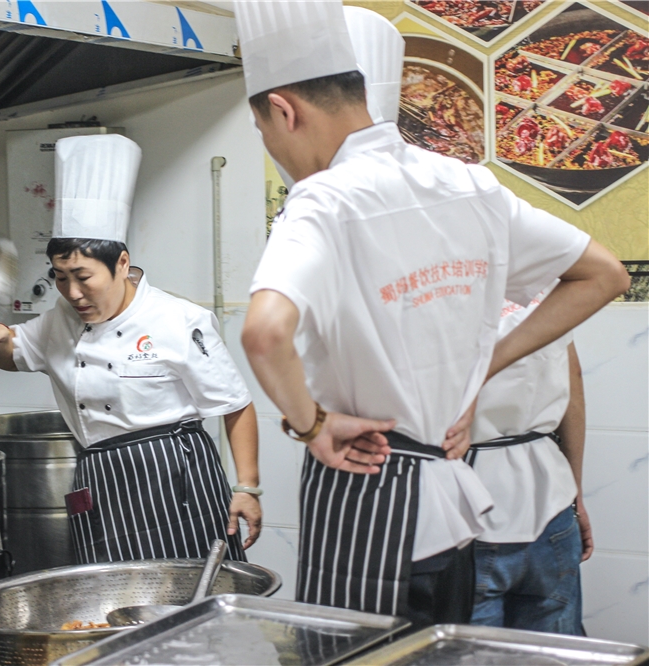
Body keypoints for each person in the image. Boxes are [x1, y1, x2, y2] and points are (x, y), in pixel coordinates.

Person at [235, 0, 629, 628]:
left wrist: (311, 426)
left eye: (265, 134)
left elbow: (263, 331)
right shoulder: (470, 183)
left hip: (369, 493)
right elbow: (604, 274)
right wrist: (484, 365)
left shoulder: (321, 201)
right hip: (454, 512)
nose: (277, 151)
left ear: (284, 109)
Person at [0, 134, 264, 563]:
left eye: (84, 276)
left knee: (194, 597)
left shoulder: (178, 320)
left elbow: (235, 404)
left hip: (173, 474)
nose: (72, 291)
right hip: (99, 475)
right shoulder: (59, 320)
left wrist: (247, 487)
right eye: (60, 276)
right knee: (110, 602)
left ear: (122, 264)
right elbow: (13, 355)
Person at [467, 286, 592, 634]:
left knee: (472, 654)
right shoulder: (548, 284)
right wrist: (575, 496)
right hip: (551, 496)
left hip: (468, 504)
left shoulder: (434, 290)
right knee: (553, 653)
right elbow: (574, 384)